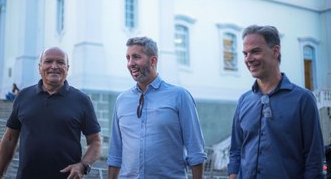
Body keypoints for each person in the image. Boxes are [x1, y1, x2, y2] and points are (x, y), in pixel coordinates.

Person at [228, 25, 324, 178]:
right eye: (245, 54)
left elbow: (314, 160)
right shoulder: (244, 101)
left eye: (255, 51)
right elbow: (236, 151)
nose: (248, 59)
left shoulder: (303, 100)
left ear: (275, 51)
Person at [107, 36, 207, 178]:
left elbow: (195, 150)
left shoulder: (180, 96)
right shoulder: (121, 101)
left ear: (153, 61)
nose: (130, 63)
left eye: (136, 57)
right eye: (127, 58)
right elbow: (115, 153)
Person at [0, 47, 102, 179]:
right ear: (39, 67)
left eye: (60, 62)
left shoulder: (82, 100)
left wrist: (83, 165)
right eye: (48, 61)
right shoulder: (23, 96)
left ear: (67, 68)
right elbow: (10, 138)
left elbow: (96, 142)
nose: (54, 66)